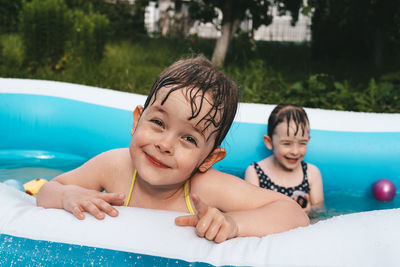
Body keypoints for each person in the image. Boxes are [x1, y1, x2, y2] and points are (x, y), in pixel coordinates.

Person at [37, 56, 309, 243]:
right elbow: (49, 189)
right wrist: (67, 196)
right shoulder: (115, 166)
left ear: (209, 159)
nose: (164, 145)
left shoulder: (205, 188)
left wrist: (234, 224)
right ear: (136, 120)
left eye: (189, 139)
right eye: (157, 122)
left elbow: (294, 215)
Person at [244, 104, 324, 213]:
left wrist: (309, 211)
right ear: (269, 142)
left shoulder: (312, 173)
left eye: (302, 143)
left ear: (308, 140)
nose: (295, 151)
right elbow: (250, 210)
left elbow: (320, 212)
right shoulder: (255, 172)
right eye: (287, 143)